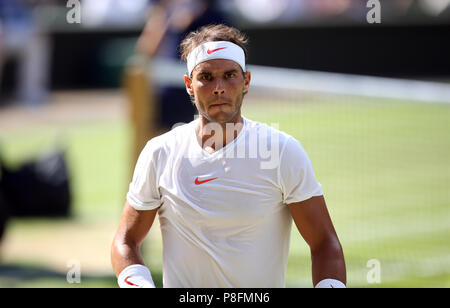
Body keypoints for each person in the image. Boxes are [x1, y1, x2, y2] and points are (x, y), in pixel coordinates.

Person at [111, 24, 346, 288]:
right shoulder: (160, 153)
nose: (219, 87)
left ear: (246, 81)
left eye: (230, 75)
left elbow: (325, 243)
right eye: (207, 77)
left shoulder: (282, 151)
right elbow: (125, 241)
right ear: (189, 84)